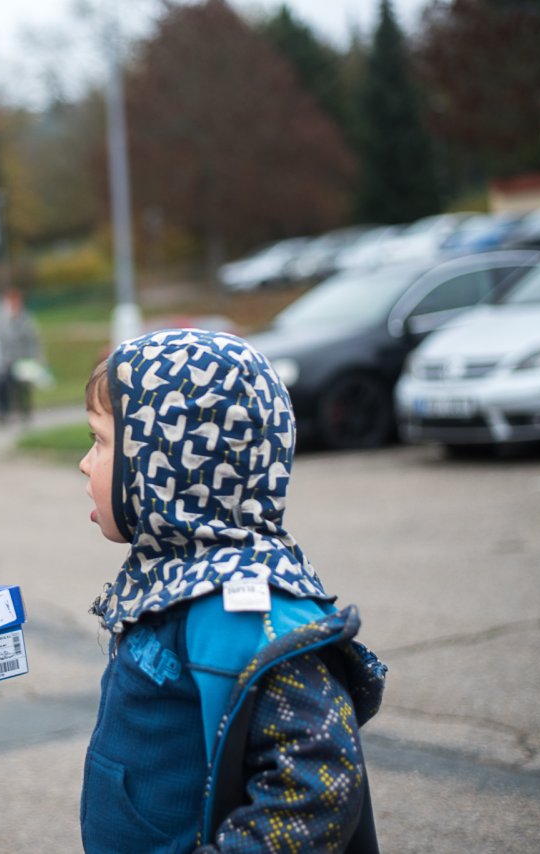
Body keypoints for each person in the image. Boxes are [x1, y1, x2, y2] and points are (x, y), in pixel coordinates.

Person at [76, 328, 387, 853]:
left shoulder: (243, 610)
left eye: (101, 441)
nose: (85, 462)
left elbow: (320, 783)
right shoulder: (172, 576)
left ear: (174, 462)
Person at [0, 288, 43, 425]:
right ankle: (4, 411)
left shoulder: (25, 318)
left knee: (22, 385)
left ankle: (24, 411)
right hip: (7, 360)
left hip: (23, 359)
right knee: (1, 382)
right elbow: (0, 341)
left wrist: (36, 359)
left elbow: (33, 340)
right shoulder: (2, 320)